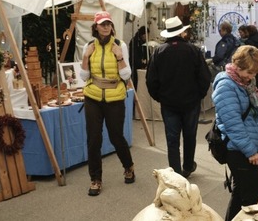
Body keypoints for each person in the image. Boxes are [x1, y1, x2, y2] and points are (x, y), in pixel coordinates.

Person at [212, 45, 258, 221]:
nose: (252, 76)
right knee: (253, 199)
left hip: (247, 147)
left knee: (240, 194)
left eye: (255, 73)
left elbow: (257, 118)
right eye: (250, 72)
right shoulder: (226, 86)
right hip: (237, 150)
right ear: (237, 66)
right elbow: (233, 125)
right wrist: (250, 151)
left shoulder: (246, 84)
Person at [146, 16, 211, 177]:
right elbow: (205, 77)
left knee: (172, 139)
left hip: (169, 103)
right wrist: (199, 95)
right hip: (191, 101)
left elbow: (150, 80)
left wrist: (159, 97)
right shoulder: (193, 50)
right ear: (182, 32)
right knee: (190, 135)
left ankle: (175, 173)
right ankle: (188, 166)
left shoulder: (159, 52)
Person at [80, 11, 135, 196]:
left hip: (115, 97)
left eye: (108, 24)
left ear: (112, 27)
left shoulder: (121, 45)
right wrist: (86, 57)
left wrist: (119, 57)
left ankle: (128, 166)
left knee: (116, 136)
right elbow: (84, 76)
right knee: (93, 138)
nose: (105, 26)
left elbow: (127, 76)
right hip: (93, 97)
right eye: (102, 24)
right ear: (96, 27)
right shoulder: (89, 46)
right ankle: (95, 179)